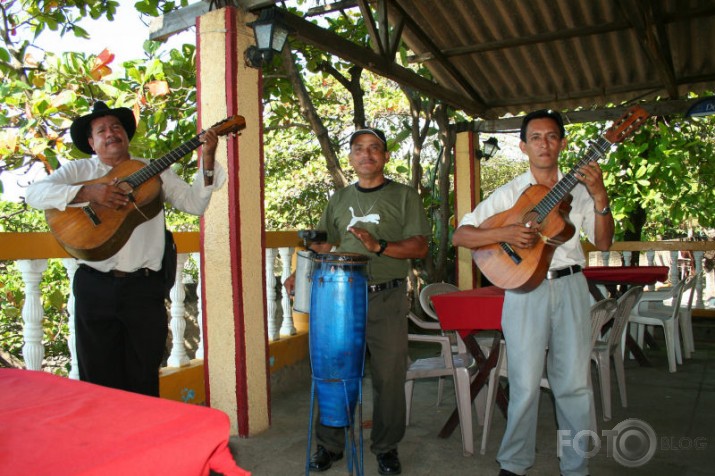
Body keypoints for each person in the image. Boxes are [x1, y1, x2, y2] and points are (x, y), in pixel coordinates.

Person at [25, 101, 225, 397]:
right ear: (92, 142)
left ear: (126, 135)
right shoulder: (79, 170)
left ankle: (144, 442)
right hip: (95, 285)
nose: (111, 133)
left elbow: (194, 204)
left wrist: (207, 158)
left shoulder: (152, 170)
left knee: (144, 376)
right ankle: (107, 442)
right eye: (102, 130)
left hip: (143, 290)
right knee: (97, 379)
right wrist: (88, 192)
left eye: (116, 127)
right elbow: (34, 194)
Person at [452, 109, 614, 476]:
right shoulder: (510, 193)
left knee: (574, 384)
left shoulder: (579, 190)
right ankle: (513, 463)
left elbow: (603, 242)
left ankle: (575, 466)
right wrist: (505, 234)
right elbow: (461, 235)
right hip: (523, 289)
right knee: (523, 383)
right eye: (536, 137)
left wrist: (600, 194)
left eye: (552, 136)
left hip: (570, 285)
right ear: (523, 146)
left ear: (563, 143)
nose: (545, 143)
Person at [285, 128, 430, 475]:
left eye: (375, 148)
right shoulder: (338, 199)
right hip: (339, 298)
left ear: (385, 156)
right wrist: (303, 269)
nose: (367, 155)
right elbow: (324, 244)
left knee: (389, 376)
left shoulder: (404, 196)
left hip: (387, 296)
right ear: (351, 158)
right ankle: (330, 445)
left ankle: (386, 447)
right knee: (334, 371)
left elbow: (420, 247)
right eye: (359, 149)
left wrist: (377, 246)